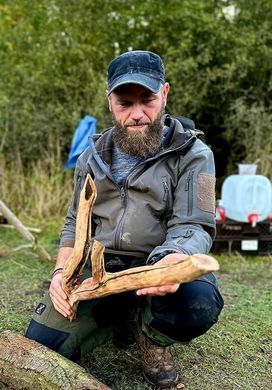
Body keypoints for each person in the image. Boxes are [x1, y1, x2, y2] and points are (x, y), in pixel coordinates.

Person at [26, 50, 224, 389]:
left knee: (198, 303)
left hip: (156, 265)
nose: (136, 114)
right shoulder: (90, 156)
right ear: (110, 102)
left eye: (146, 100)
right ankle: (120, 315)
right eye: (124, 103)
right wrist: (61, 273)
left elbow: (197, 224)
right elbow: (74, 222)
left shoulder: (197, 156)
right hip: (100, 270)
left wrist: (172, 261)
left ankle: (153, 337)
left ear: (164, 93)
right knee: (41, 344)